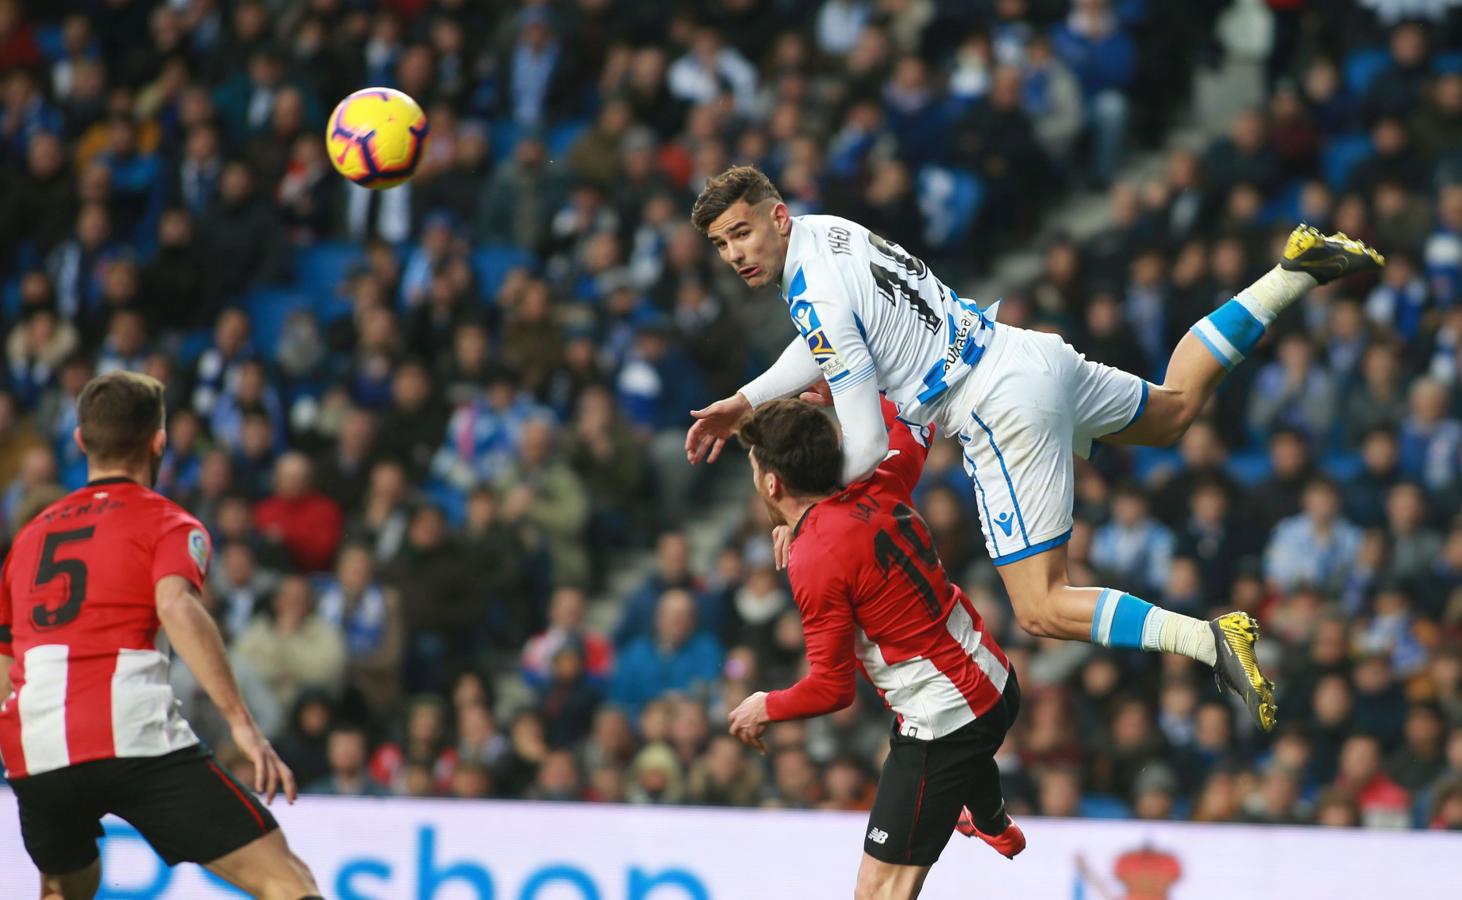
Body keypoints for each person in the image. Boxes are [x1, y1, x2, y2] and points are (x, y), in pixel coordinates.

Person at [688, 166, 1386, 732]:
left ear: (776, 216)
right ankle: (1293, 272)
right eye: (722, 245)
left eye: (742, 233)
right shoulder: (829, 233)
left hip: (996, 410)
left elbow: (866, 438)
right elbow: (828, 335)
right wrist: (746, 400)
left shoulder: (811, 292)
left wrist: (805, 514)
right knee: (1173, 411)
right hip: (1023, 353)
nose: (735, 254)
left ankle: (1210, 642)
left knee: (1041, 608)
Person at [0, 372, 320, 899]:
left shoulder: (29, 538)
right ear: (159, 441)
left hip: (36, 748)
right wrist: (242, 724)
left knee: (65, 890)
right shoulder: (168, 523)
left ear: (81, 441)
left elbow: (7, 653)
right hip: (131, 735)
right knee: (286, 882)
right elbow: (175, 604)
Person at [727, 396, 1023, 900]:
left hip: (943, 721)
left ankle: (984, 814)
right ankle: (991, 820)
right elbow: (915, 420)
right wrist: (858, 399)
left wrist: (765, 705)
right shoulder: (880, 479)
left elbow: (832, 688)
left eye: (757, 472)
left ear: (773, 485)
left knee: (877, 893)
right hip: (995, 678)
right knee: (958, 753)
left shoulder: (815, 557)